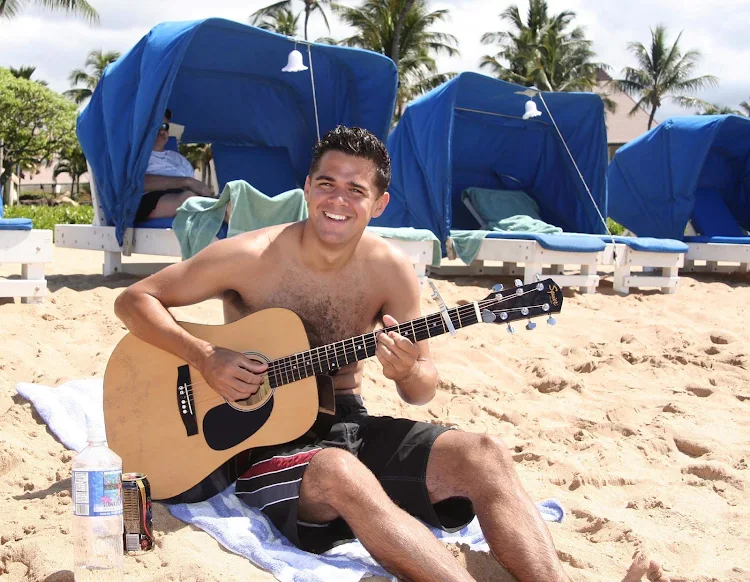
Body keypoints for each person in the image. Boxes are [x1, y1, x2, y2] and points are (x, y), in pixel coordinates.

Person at [114, 126, 669, 582]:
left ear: (378, 203)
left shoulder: (390, 271)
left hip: (343, 419)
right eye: (326, 183)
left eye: (355, 190)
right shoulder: (247, 255)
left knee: (482, 452)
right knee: (340, 471)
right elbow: (134, 301)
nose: (337, 199)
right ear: (307, 187)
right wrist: (206, 355)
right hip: (252, 444)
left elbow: (420, 388)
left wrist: (409, 369)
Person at [135, 109, 214, 222]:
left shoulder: (178, 159)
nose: (162, 130)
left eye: (165, 126)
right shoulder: (136, 156)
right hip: (148, 198)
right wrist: (187, 182)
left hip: (186, 195)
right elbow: (136, 183)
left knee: (231, 199)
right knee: (190, 200)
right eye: (157, 125)